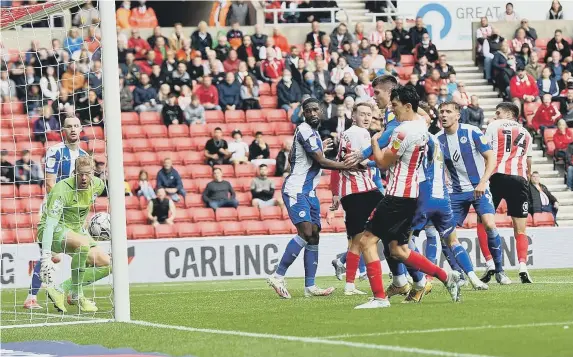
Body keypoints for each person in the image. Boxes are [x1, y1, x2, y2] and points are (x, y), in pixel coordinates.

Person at [350, 87, 462, 309]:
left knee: (366, 241)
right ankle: (446, 277)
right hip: (410, 196)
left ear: (408, 106)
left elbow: (382, 162)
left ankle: (380, 298)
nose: (392, 109)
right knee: (398, 250)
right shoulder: (421, 124)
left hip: (397, 196)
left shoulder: (403, 132)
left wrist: (374, 141)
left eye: (395, 105)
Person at [267, 97, 355, 299]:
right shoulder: (305, 129)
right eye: (308, 111)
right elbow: (320, 161)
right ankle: (278, 276)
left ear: (321, 111)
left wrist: (319, 149)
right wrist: (347, 165)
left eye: (316, 109)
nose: (313, 113)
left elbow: (295, 158)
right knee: (306, 232)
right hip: (296, 189)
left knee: (314, 235)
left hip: (310, 192)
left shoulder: (312, 133)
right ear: (303, 113)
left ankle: (310, 286)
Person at [435, 102, 510, 285]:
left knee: (490, 225)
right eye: (441, 112)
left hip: (479, 187)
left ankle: (500, 271)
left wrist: (483, 182)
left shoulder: (472, 132)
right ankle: (458, 273)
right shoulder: (437, 139)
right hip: (454, 192)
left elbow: (491, 157)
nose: (443, 115)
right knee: (446, 234)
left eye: (448, 112)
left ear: (458, 115)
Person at [37, 157, 110, 313]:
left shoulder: (98, 185)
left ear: (93, 173)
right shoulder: (61, 189)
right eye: (80, 174)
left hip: (76, 230)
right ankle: (77, 295)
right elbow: (49, 224)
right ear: (74, 173)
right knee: (83, 244)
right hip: (53, 229)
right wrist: (46, 256)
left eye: (87, 174)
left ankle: (63, 289)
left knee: (107, 264)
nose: (84, 178)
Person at [328, 102, 383, 296]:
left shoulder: (347, 134)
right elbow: (361, 161)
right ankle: (402, 273)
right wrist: (383, 161)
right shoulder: (360, 133)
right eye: (363, 114)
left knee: (355, 241)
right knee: (394, 220)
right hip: (360, 192)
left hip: (354, 192)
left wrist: (335, 192)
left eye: (369, 114)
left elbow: (340, 163)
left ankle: (350, 285)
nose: (367, 118)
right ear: (354, 116)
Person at [485, 102, 534, 283]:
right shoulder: (526, 133)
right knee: (520, 228)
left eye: (498, 112)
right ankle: (523, 266)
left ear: (509, 114)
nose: (496, 115)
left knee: (484, 220)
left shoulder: (493, 125)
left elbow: (486, 152)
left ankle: (492, 264)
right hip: (520, 179)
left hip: (497, 176)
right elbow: (528, 163)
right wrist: (526, 179)